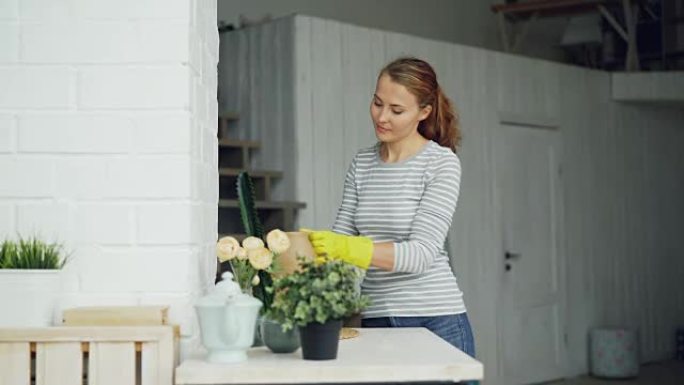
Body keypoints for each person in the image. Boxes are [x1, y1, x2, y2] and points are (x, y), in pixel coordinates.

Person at [306, 57, 475, 359]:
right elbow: (340, 241)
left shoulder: (441, 163)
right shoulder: (362, 163)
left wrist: (350, 248)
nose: (382, 117)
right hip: (377, 321)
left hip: (436, 321)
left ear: (424, 112)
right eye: (377, 103)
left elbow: (421, 254)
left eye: (396, 110)